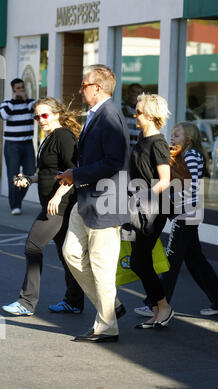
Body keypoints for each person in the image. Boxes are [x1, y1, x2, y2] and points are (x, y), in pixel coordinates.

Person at [57, 65, 130, 343]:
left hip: (104, 201)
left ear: (97, 88)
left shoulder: (110, 115)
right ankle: (111, 307)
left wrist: (76, 174)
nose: (80, 89)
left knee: (101, 265)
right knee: (71, 253)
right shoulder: (98, 114)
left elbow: (113, 161)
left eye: (84, 85)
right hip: (89, 198)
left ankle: (106, 326)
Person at [134, 122, 218, 318]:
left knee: (171, 261)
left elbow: (188, 184)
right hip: (185, 214)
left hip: (185, 214)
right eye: (172, 134)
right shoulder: (182, 156)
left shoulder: (192, 156)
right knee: (195, 261)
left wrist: (169, 198)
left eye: (176, 135)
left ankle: (156, 303)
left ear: (188, 140)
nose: (172, 138)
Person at [1, 97, 84, 316]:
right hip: (52, 203)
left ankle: (26, 302)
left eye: (44, 115)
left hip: (60, 204)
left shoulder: (64, 136)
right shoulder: (49, 138)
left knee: (32, 246)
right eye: (37, 116)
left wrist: (57, 196)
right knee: (66, 254)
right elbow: (49, 173)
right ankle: (74, 301)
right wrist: (29, 179)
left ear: (57, 114)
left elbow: (72, 171)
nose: (40, 120)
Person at [130, 93, 174, 329]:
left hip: (154, 208)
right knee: (139, 261)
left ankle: (163, 306)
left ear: (150, 115)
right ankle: (158, 308)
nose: (134, 115)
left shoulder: (158, 143)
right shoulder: (141, 138)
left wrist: (144, 198)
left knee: (139, 260)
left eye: (138, 112)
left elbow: (165, 180)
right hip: (140, 206)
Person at [0, 78, 36, 215]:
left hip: (27, 144)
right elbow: (3, 115)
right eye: (18, 88)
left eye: (22, 87)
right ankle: (15, 206)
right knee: (13, 175)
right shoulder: (7, 103)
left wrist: (26, 100)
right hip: (12, 145)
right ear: (13, 90)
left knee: (30, 172)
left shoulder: (31, 102)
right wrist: (14, 100)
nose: (20, 90)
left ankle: (17, 199)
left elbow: (35, 112)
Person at [122, 83, 143, 150]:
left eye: (138, 93)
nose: (135, 95)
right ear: (128, 93)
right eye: (133, 92)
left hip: (137, 146)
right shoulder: (120, 105)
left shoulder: (143, 110)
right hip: (123, 145)